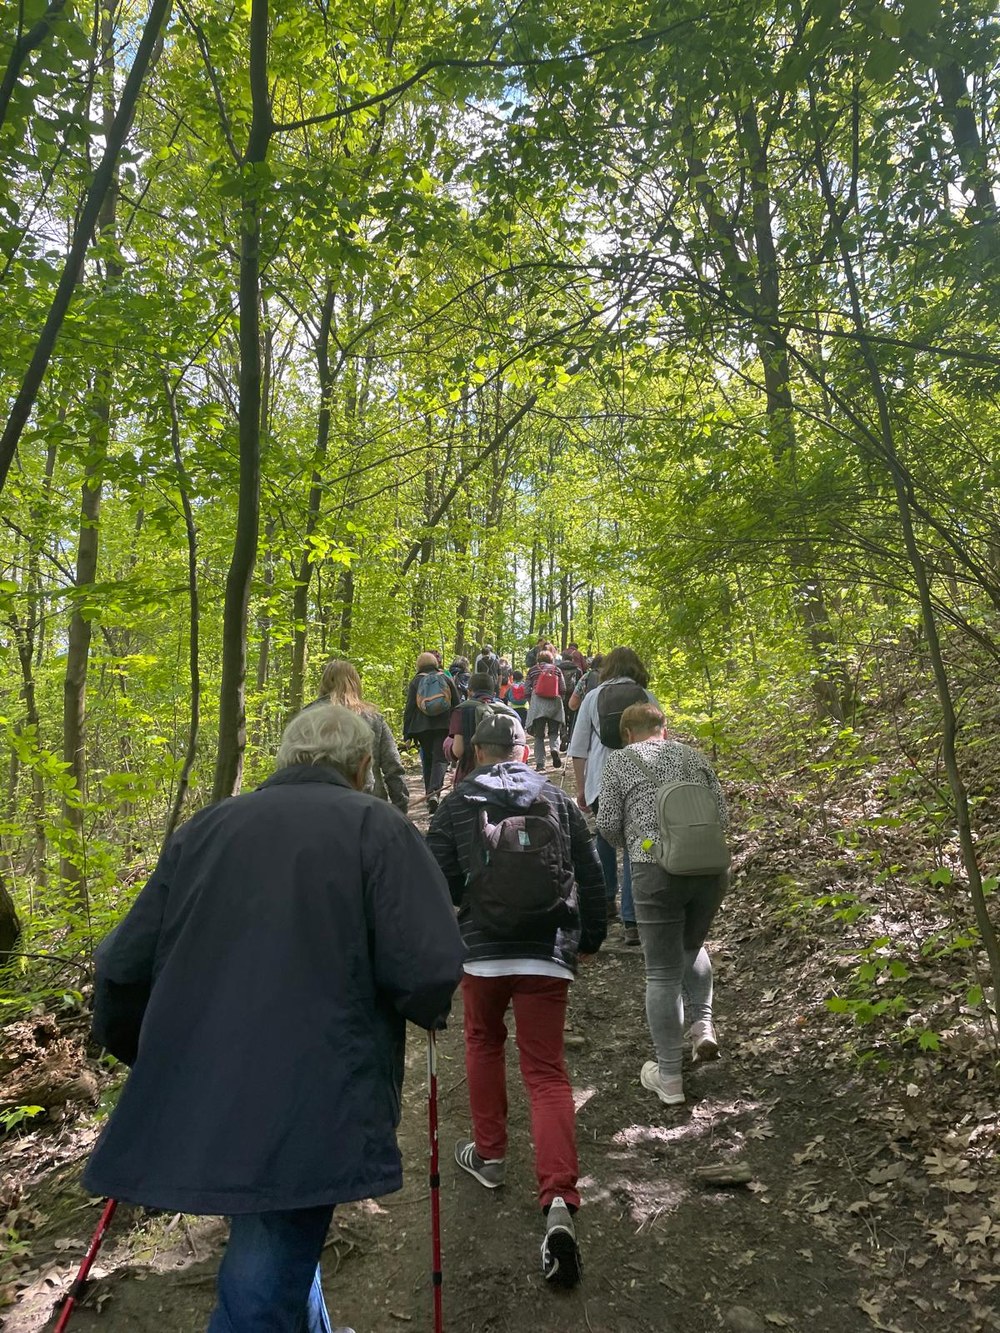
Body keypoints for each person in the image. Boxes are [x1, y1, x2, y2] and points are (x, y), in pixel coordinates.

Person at [84, 706, 466, 1333]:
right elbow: (428, 966)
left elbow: (122, 964)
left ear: (286, 758)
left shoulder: (205, 827)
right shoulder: (378, 825)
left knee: (278, 1227)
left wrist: (153, 1055)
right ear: (364, 765)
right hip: (314, 1085)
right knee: (263, 1275)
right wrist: (423, 1009)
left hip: (206, 1079)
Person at [426, 708, 606, 1289]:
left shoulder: (456, 805)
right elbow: (591, 866)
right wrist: (591, 936)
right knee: (548, 1072)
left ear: (475, 752)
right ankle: (559, 1199)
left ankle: (491, 1155)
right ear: (523, 750)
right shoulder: (554, 799)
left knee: (481, 1043)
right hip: (546, 950)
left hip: (481, 952)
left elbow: (437, 879)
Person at [596, 702, 728, 1105]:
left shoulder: (620, 762)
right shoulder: (693, 755)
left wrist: (637, 847)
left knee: (662, 972)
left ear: (628, 733)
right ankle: (703, 1027)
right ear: (663, 728)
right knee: (692, 946)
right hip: (709, 868)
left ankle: (669, 1077)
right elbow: (721, 813)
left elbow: (606, 825)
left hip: (656, 870)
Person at [567, 647, 659, 946]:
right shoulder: (646, 697)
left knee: (603, 839)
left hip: (601, 781)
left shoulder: (593, 697)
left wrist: (582, 788)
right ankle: (632, 922)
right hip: (641, 782)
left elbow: (579, 748)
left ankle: (606, 901)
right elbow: (663, 743)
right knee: (637, 845)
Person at [309, 658, 409, 813]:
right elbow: (393, 766)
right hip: (369, 804)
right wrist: (400, 805)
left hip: (319, 808)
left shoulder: (306, 718)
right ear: (355, 683)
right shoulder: (372, 717)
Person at [403, 651, 461, 812]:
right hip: (443, 724)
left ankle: (430, 795)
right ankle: (434, 792)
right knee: (440, 759)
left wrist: (407, 734)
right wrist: (458, 728)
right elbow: (456, 703)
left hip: (421, 728)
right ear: (435, 663)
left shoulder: (416, 681)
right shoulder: (445, 677)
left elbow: (410, 708)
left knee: (428, 759)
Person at [446, 672, 502, 785]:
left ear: (469, 692)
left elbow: (458, 750)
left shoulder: (461, 711)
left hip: (469, 776)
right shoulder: (506, 712)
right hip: (501, 777)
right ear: (494, 693)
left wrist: (447, 745)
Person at [525, 650, 566, 772]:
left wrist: (531, 701)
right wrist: (560, 700)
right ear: (551, 659)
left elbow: (526, 688)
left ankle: (540, 764)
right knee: (554, 732)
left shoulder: (532, 670)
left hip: (538, 704)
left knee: (539, 736)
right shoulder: (557, 670)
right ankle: (554, 749)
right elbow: (563, 688)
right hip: (554, 702)